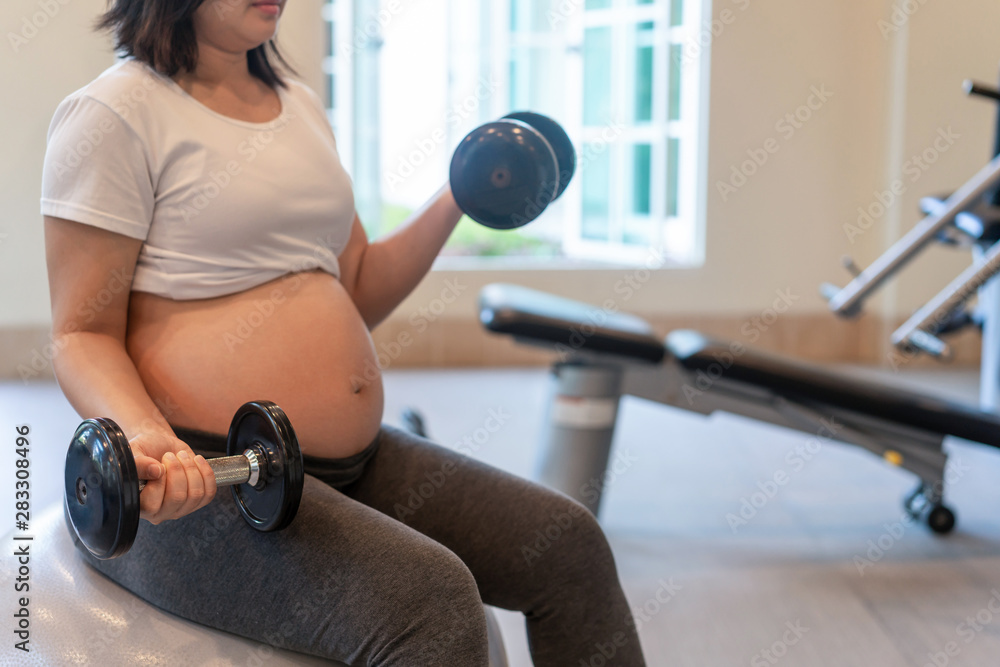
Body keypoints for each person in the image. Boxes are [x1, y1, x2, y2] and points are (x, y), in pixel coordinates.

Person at [42, 1, 647, 664]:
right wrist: (146, 436)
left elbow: (355, 283)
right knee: (432, 602)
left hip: (330, 462)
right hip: (203, 483)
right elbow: (81, 333)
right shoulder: (115, 113)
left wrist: (460, 194)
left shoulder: (297, 105)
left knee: (567, 544)